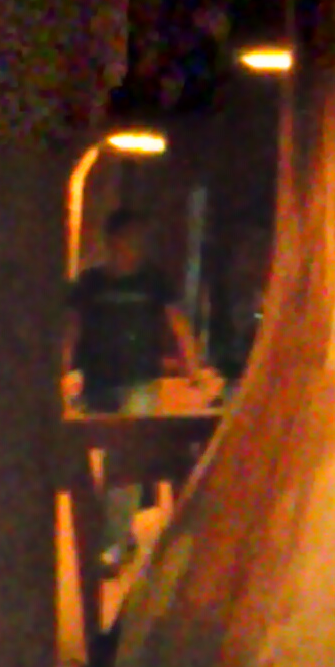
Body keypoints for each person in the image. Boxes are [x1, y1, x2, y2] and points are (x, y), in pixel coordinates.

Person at [65, 206, 209, 570]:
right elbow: (72, 328)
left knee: (126, 460)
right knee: (103, 462)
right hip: (98, 380)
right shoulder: (91, 283)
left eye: (138, 240)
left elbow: (177, 323)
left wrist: (193, 370)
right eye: (127, 239)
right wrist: (62, 370)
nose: (133, 247)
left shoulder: (152, 281)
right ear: (111, 241)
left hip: (139, 380)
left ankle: (112, 544)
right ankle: (120, 534)